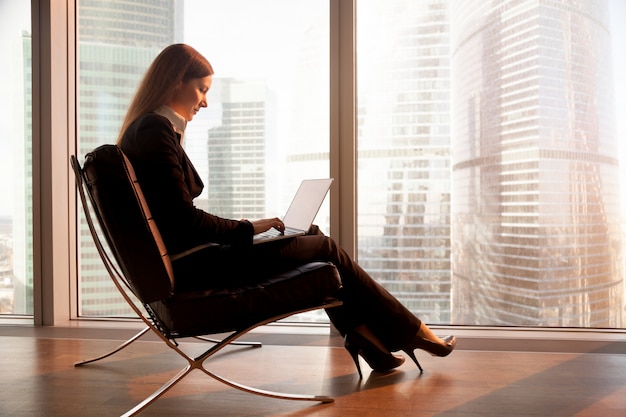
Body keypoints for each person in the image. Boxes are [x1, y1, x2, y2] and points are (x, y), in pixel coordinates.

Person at [117, 43, 455, 378]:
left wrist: (250, 230)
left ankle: (369, 340)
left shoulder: (149, 130)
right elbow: (184, 219)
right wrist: (248, 229)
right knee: (324, 246)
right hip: (195, 265)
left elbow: (175, 217)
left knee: (312, 235)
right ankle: (411, 333)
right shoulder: (154, 130)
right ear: (177, 81)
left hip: (194, 259)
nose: (204, 101)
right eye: (201, 90)